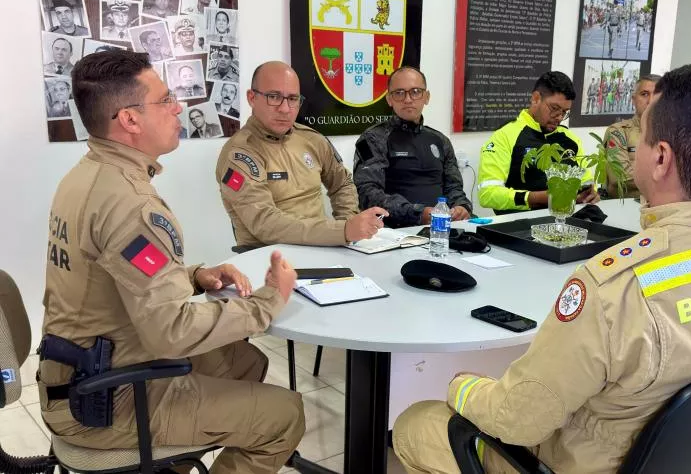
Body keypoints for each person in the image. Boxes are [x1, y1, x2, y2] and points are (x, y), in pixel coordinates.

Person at [393, 62, 691, 473]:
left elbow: (518, 419)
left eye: (643, 139)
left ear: (660, 157)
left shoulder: (615, 288)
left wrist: (462, 386)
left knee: (416, 424)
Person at [37, 50, 305, 473]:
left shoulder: (88, 175)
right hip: (105, 399)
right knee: (284, 415)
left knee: (243, 360)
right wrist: (270, 301)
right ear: (129, 119)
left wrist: (196, 275)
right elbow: (172, 333)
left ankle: (175, 458)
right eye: (165, 100)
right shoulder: (131, 204)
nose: (178, 107)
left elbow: (121, 273)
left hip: (81, 372)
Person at [216, 61, 387, 248]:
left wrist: (349, 228)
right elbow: (265, 223)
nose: (284, 108)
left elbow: (342, 184)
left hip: (324, 249)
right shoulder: (240, 153)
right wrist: (342, 231)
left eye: (292, 98)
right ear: (251, 98)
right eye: (273, 97)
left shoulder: (311, 138)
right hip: (270, 259)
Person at [354, 66, 473, 227]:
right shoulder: (372, 139)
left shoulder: (440, 140)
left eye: (415, 91)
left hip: (442, 228)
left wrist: (461, 207)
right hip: (395, 231)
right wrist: (417, 214)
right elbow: (368, 193)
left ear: (426, 97)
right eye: (399, 93)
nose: (408, 99)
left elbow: (454, 188)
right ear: (389, 99)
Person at [478, 71, 599, 214]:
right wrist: (538, 198)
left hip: (566, 222)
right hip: (518, 227)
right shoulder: (504, 137)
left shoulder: (571, 140)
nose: (559, 117)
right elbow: (487, 194)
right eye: (554, 109)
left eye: (565, 112)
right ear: (536, 99)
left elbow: (585, 181)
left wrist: (590, 193)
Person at [603, 73, 658, 198]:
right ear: (633, 99)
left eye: (656, 95)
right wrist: (668, 180)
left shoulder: (674, 134)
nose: (650, 101)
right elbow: (619, 176)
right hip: (626, 207)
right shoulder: (618, 132)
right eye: (644, 94)